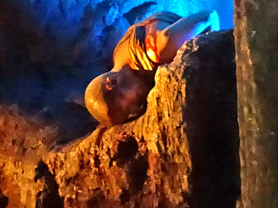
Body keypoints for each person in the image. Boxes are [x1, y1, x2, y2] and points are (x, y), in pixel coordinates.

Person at [84, 9, 220, 126]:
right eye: (129, 114)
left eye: (126, 107)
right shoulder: (120, 57)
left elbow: (209, 16)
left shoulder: (158, 49)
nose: (135, 110)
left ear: (111, 82)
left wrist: (212, 58)